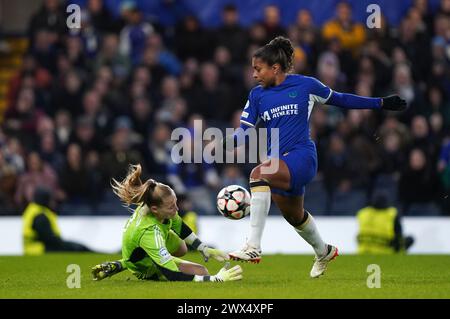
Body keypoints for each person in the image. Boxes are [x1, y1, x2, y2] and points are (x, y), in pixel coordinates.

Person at [224, 36, 407, 278]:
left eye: (258, 69)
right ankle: (324, 251)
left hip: (302, 157)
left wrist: (380, 102)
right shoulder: (257, 95)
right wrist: (229, 141)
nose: (254, 74)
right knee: (295, 217)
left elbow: (341, 99)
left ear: (275, 68)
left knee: (259, 174)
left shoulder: (306, 86)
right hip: (280, 162)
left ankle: (253, 247)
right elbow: (244, 129)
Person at [91, 164, 242, 282]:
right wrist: (215, 279)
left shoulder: (154, 205)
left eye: (175, 203)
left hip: (140, 248)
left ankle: (122, 263)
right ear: (155, 209)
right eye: (171, 206)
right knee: (202, 272)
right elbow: (172, 274)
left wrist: (203, 248)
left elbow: (179, 226)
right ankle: (128, 264)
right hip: (141, 265)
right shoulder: (149, 232)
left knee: (182, 247)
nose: (176, 209)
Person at [22, 186, 93, 255]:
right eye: (50, 199)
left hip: (35, 248)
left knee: (76, 247)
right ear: (45, 199)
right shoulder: (40, 215)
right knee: (77, 248)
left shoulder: (33, 210)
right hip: (41, 249)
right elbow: (49, 238)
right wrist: (64, 244)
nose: (52, 201)